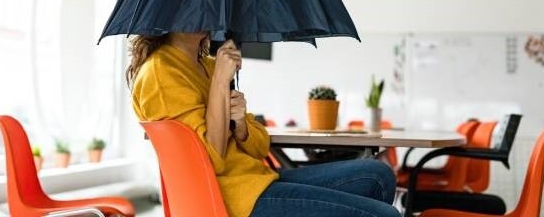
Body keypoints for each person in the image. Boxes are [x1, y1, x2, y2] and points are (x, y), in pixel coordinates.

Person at [130, 32, 400, 217]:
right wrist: (220, 83)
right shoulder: (160, 72)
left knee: (379, 174)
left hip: (256, 179)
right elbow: (210, 161)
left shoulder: (210, 65)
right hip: (231, 198)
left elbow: (260, 147)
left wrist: (241, 124)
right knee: (387, 214)